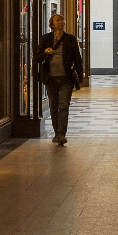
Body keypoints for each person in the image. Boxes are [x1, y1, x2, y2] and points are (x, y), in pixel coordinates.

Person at [34, 13, 84, 145]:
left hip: (66, 78)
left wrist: (80, 76)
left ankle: (62, 134)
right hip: (50, 78)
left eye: (62, 20)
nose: (61, 22)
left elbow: (77, 59)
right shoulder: (45, 38)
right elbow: (37, 57)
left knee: (64, 106)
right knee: (53, 106)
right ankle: (57, 133)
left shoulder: (70, 39)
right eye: (57, 20)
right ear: (52, 24)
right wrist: (45, 52)